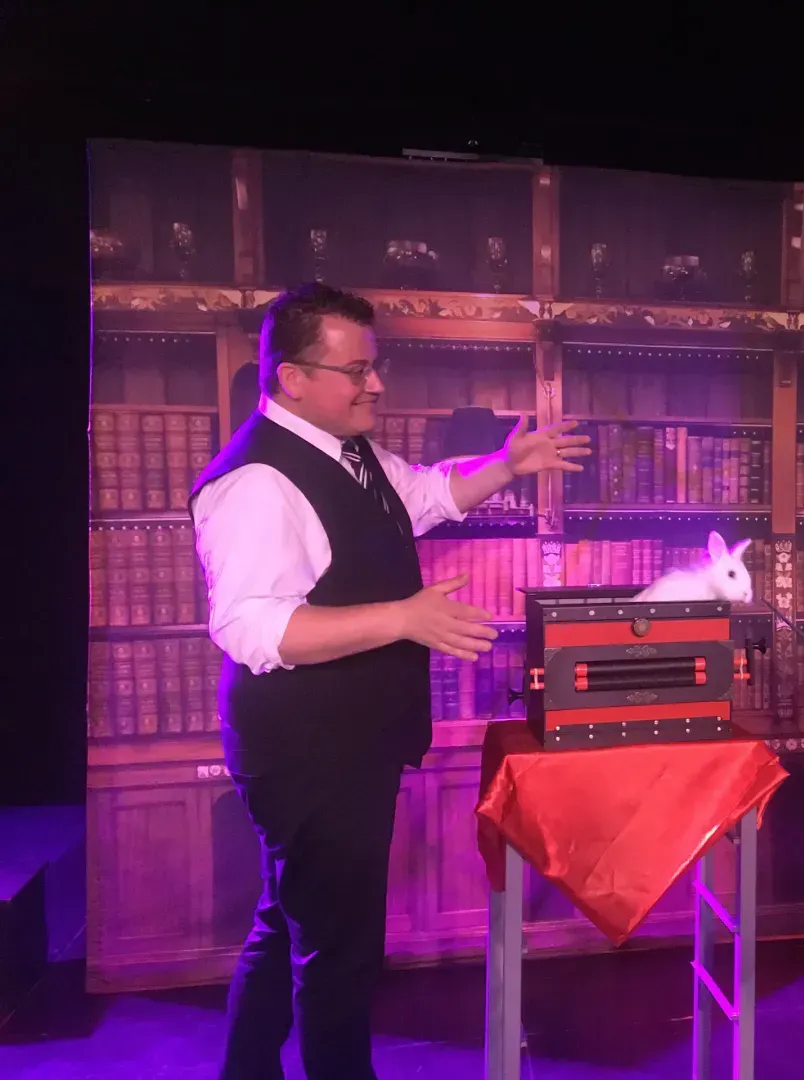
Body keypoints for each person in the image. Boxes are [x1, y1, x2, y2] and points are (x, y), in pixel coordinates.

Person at [190, 283, 590, 1080]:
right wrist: (403, 618)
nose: (375, 385)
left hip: (341, 746)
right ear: (292, 377)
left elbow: (424, 495)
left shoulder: (344, 448)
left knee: (292, 917)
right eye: (356, 371)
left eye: (375, 367)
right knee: (337, 951)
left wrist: (505, 466)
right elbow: (252, 628)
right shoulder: (256, 483)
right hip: (306, 753)